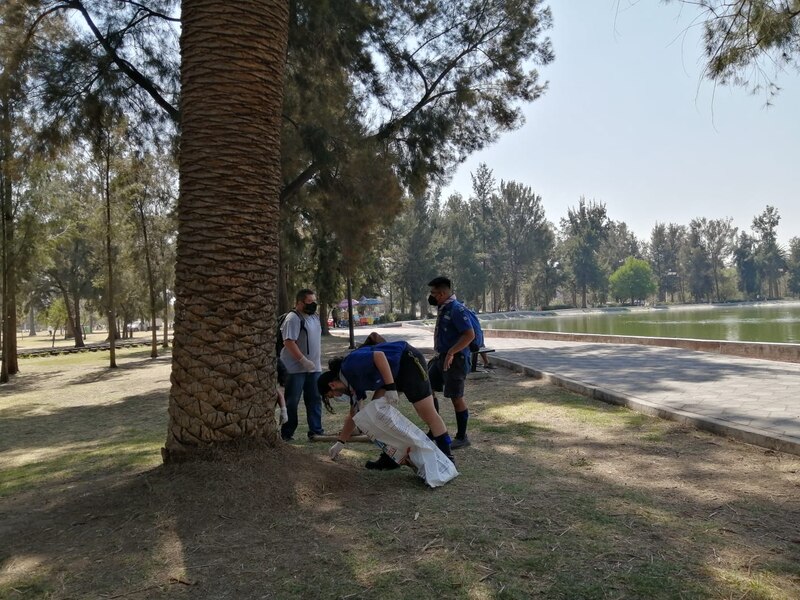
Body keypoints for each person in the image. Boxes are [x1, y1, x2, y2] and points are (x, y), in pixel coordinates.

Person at [317, 340, 454, 469]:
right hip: (391, 374)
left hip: (407, 362)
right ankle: (391, 457)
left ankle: (448, 457)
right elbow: (354, 414)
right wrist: (340, 443)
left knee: (428, 414)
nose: (338, 397)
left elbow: (379, 356)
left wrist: (391, 387)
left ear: (332, 384)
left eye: (332, 395)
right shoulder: (351, 385)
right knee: (375, 416)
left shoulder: (350, 365)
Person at [427, 276, 475, 449]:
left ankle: (462, 437)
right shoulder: (443, 307)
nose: (431, 296)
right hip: (441, 358)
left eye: (433, 292)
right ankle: (435, 429)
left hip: (456, 360)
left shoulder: (457, 309)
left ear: (442, 293)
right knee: (427, 388)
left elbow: (469, 335)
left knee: (456, 398)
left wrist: (452, 352)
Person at [280, 288, 324, 441]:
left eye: (314, 301)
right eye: (309, 302)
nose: (313, 305)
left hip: (314, 368)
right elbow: (288, 342)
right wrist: (303, 360)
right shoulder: (293, 318)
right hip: (295, 369)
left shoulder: (315, 317)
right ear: (299, 303)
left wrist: (314, 363)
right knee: (292, 401)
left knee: (315, 399)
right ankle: (287, 433)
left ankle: (316, 431)